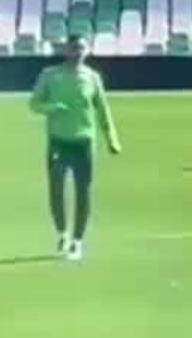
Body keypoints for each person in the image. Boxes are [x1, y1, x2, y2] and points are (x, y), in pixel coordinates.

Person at [28, 36, 122, 262]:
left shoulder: (92, 78)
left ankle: (77, 241)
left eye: (81, 47)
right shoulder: (50, 75)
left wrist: (112, 138)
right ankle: (62, 233)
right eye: (74, 48)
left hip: (83, 142)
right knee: (57, 190)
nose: (77, 52)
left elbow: (102, 109)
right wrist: (52, 108)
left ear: (87, 50)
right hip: (59, 141)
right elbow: (34, 103)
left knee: (83, 192)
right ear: (67, 50)